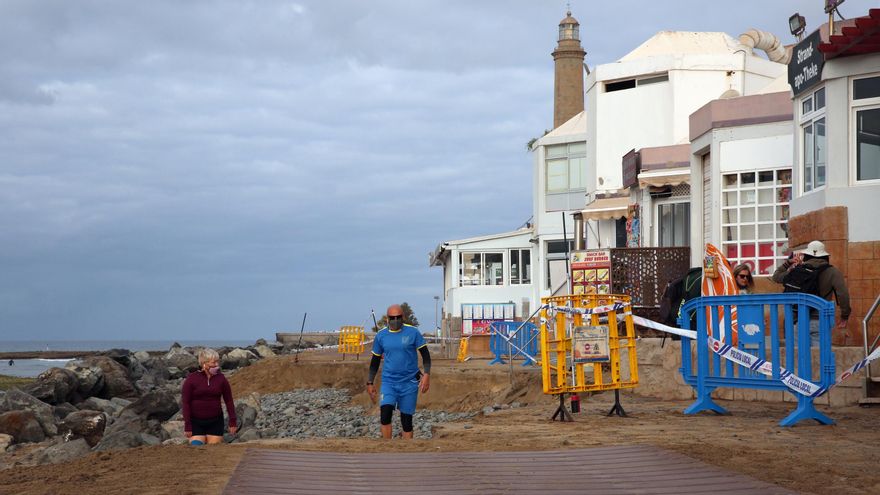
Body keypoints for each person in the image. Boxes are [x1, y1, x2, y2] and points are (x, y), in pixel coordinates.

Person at [366, 304, 431, 439]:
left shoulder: (413, 332)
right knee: (385, 415)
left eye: (398, 317)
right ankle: (387, 447)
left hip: (409, 383)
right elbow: (375, 360)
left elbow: (425, 355)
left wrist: (426, 375)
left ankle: (407, 449)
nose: (395, 320)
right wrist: (370, 382)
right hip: (389, 382)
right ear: (387, 318)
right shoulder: (381, 335)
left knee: (406, 421)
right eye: (392, 318)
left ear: (403, 317)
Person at [772, 240, 851, 346]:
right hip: (820, 319)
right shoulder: (833, 272)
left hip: (799, 320)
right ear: (825, 256)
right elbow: (843, 295)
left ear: (806, 255)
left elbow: (776, 277)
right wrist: (844, 316)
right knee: (819, 353)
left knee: (799, 353)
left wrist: (788, 263)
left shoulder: (797, 271)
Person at [181, 348, 237, 445]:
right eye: (213, 362)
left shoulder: (221, 378)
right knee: (197, 446)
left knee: (213, 448)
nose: (217, 365)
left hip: (215, 421)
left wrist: (232, 421)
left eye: (217, 362)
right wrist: (187, 425)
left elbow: (228, 400)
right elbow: (185, 403)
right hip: (196, 422)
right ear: (204, 363)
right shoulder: (191, 379)